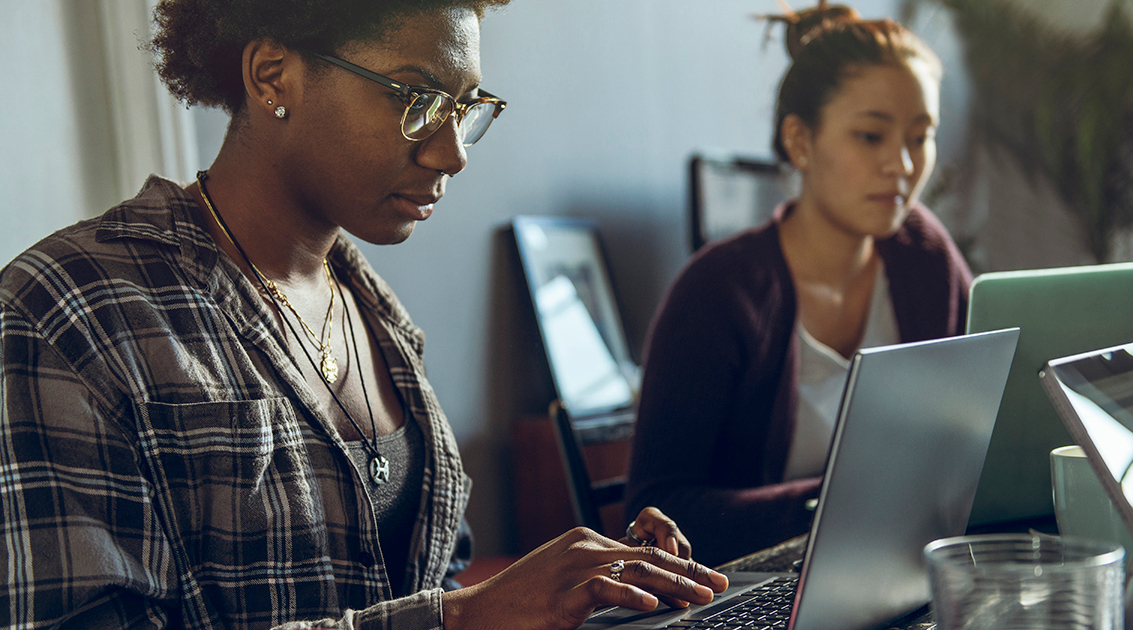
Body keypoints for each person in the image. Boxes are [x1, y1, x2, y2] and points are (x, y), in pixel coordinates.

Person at [0, 1, 729, 628]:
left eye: (465, 108)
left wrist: (574, 593)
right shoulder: (70, 313)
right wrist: (462, 618)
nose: (452, 153)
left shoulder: (376, 315)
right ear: (272, 77)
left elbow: (420, 590)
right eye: (415, 98)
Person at [625, 1, 973, 566]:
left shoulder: (924, 258)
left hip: (898, 568)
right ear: (800, 141)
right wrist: (832, 504)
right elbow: (654, 510)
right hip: (745, 587)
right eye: (870, 137)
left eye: (920, 137)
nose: (903, 166)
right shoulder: (717, 293)